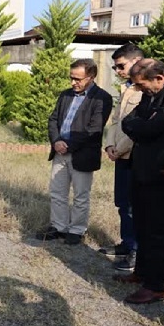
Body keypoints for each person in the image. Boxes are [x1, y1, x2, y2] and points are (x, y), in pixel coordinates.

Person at [114, 59, 164, 304]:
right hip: (141, 169)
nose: (139, 90)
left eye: (142, 85)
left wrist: (143, 125)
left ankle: (156, 285)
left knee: (157, 230)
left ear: (159, 77)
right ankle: (142, 272)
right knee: (141, 224)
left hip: (163, 175)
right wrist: (142, 125)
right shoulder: (151, 94)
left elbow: (153, 128)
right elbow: (129, 120)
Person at [36, 59, 112, 245]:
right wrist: (56, 141)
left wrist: (67, 144)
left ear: (91, 77)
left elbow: (94, 129)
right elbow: (53, 120)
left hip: (82, 154)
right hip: (60, 152)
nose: (73, 83)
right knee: (57, 192)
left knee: (80, 195)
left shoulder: (102, 98)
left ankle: (77, 230)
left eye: (78, 79)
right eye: (71, 78)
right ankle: (59, 226)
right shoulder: (65, 95)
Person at [99, 44, 143, 271]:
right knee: (122, 203)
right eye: (115, 67)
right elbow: (116, 122)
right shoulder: (127, 88)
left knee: (135, 206)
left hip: (135, 157)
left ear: (136, 61)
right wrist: (109, 145)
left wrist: (121, 148)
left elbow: (140, 126)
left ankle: (137, 251)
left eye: (121, 66)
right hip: (120, 155)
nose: (117, 71)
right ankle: (127, 244)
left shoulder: (146, 89)